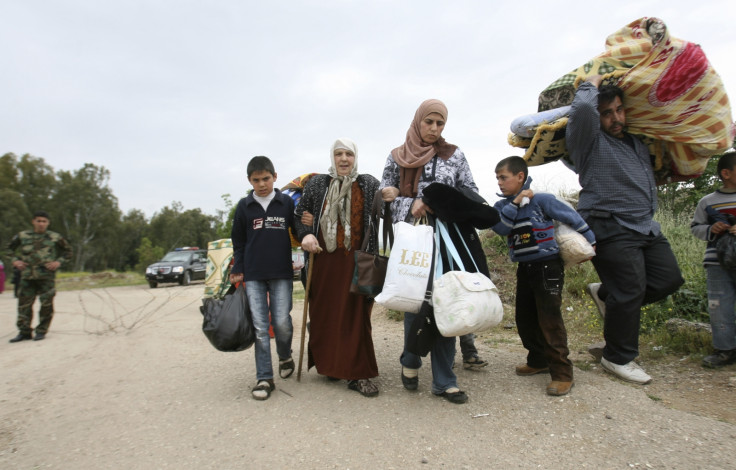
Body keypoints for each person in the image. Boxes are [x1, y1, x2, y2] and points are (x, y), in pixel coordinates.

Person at [566, 75, 684, 384]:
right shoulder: (588, 141)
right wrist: (589, 85)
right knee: (630, 289)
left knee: (668, 279)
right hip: (608, 223)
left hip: (644, 226)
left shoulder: (635, 144)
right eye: (607, 113)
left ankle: (607, 294)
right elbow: (581, 113)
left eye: (619, 110)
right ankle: (616, 357)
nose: (616, 118)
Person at [380, 98, 485, 404]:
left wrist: (441, 201)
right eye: (429, 122)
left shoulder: (454, 155)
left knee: (447, 303)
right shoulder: (397, 157)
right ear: (418, 121)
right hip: (414, 241)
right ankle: (411, 360)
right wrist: (407, 202)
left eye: (440, 124)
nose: (434, 129)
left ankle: (445, 381)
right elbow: (384, 198)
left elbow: (472, 192)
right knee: (416, 303)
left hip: (449, 241)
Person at [491, 156, 596, 396]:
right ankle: (538, 360)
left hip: (548, 266)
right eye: (497, 178)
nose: (499, 182)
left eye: (503, 177)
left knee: (549, 318)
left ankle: (562, 373)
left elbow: (573, 218)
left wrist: (591, 242)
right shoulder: (503, 208)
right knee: (525, 318)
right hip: (524, 268)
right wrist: (516, 202)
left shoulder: (542, 200)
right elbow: (500, 228)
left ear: (520, 177)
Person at [295, 138, 381, 397]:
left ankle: (358, 374)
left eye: (349, 154)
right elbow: (299, 214)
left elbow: (385, 212)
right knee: (326, 314)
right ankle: (331, 366)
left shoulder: (368, 183)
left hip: (358, 261)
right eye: (338, 154)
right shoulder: (318, 183)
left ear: (356, 157)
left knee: (356, 317)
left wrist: (390, 197)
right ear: (332, 157)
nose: (344, 159)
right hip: (324, 261)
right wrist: (306, 234)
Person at [229, 156, 296, 401]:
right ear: (249, 181)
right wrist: (238, 267)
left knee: (281, 322)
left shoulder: (286, 203)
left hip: (281, 273)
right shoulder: (244, 206)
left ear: (275, 177)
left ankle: (285, 355)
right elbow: (238, 241)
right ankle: (265, 377)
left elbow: (298, 231)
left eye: (266, 178)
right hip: (254, 274)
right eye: (256, 180)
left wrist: (306, 224)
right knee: (260, 328)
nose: (262, 184)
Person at [690, 152, 736, 368]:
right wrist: (711, 229)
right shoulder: (707, 202)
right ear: (726, 173)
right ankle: (725, 351)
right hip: (717, 262)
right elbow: (696, 228)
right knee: (720, 306)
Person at [5, 211, 73, 342]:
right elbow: (8, 249)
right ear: (33, 221)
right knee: (24, 305)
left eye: (44, 221)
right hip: (27, 276)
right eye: (38, 221)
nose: (41, 224)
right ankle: (24, 332)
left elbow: (68, 251)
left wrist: (58, 262)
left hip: (46, 276)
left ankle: (41, 331)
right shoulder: (23, 236)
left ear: (48, 223)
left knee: (46, 304)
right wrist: (15, 261)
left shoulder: (55, 237)